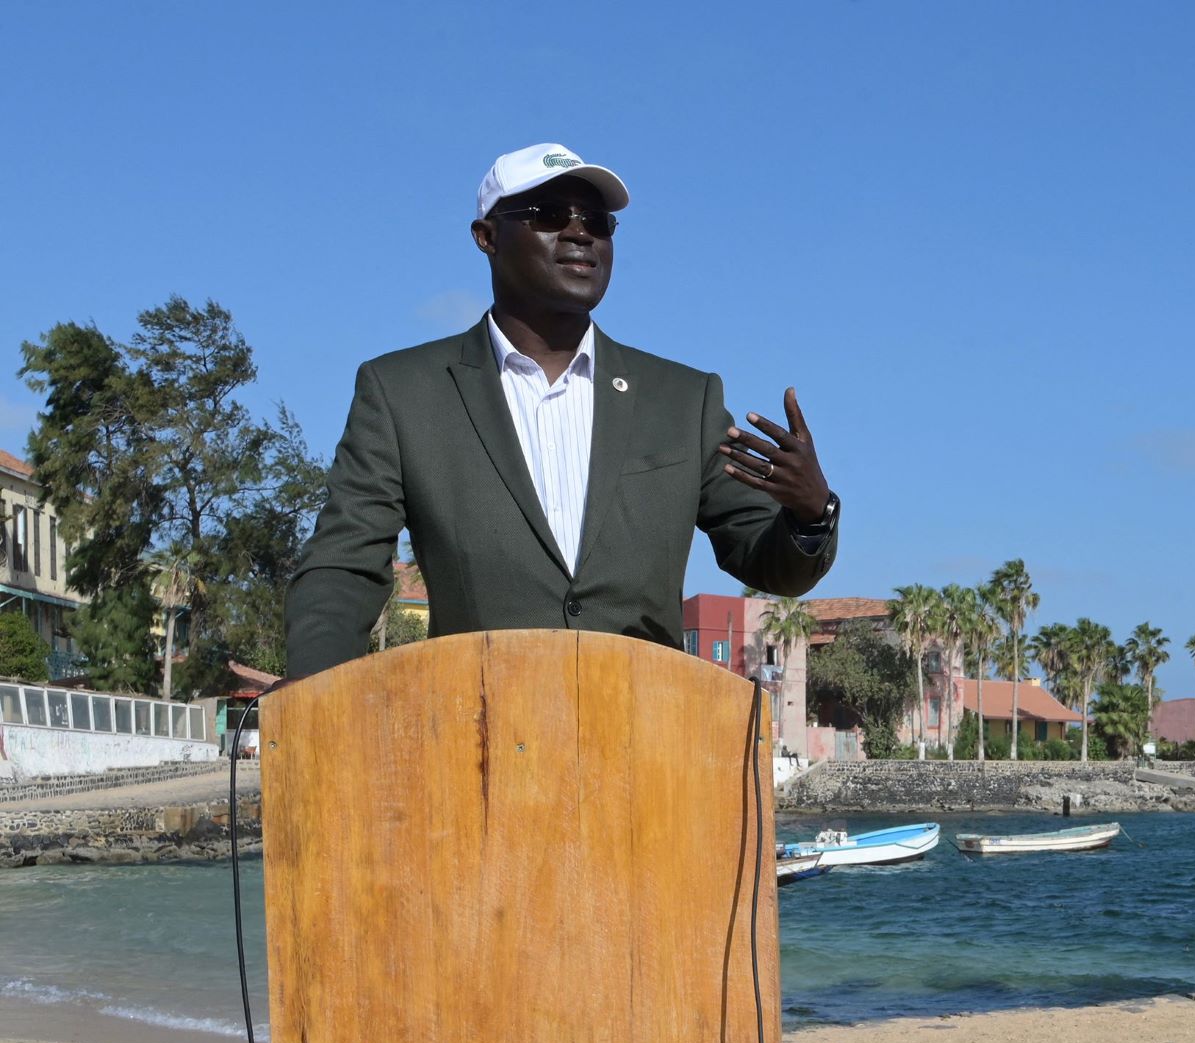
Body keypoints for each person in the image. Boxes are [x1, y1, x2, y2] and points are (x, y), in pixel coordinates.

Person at [284, 143, 837, 679]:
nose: (579, 232)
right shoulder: (403, 392)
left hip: (653, 744)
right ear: (487, 237)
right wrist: (317, 692)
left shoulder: (684, 400)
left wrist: (810, 516)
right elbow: (344, 564)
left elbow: (765, 561)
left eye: (597, 222)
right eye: (549, 214)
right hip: (474, 739)